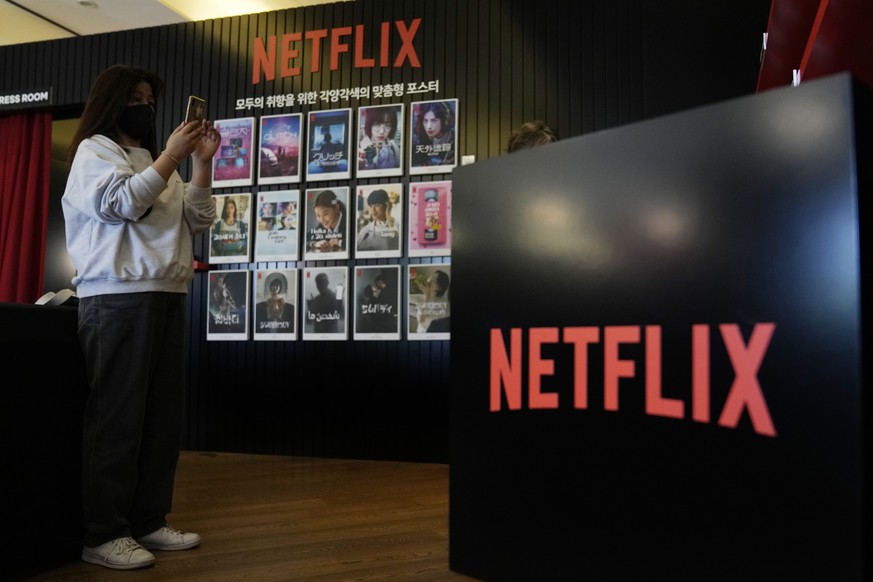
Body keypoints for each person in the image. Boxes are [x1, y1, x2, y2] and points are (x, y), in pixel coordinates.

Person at [61, 64, 220, 570]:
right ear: (111, 101)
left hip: (168, 293)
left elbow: (198, 219)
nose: (145, 106)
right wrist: (172, 155)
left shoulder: (155, 160)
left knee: (160, 417)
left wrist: (201, 163)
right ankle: (103, 532)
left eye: (150, 98)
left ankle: (148, 520)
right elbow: (122, 204)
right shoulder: (94, 152)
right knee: (117, 417)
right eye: (134, 97)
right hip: (117, 296)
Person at [412, 101, 455, 167]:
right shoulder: (423, 139)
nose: (429, 126)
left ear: (444, 120)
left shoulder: (453, 140)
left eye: (434, 120)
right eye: (425, 121)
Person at [358, 107, 401, 171]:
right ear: (369, 125)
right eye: (377, 124)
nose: (382, 131)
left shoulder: (393, 148)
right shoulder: (359, 149)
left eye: (388, 125)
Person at [308, 189, 346, 253]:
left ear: (336, 208)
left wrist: (339, 242)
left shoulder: (348, 222)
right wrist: (315, 243)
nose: (322, 220)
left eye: (325, 214)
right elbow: (307, 238)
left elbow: (357, 242)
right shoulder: (322, 226)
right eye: (318, 215)